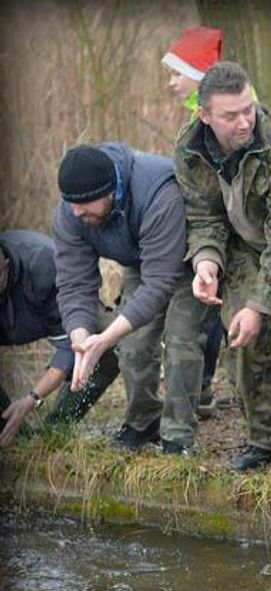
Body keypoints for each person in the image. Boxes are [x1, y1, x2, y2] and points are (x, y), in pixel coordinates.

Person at [174, 61, 271, 471]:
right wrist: (207, 262)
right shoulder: (189, 149)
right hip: (243, 246)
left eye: (248, 109)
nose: (243, 122)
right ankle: (264, 439)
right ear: (204, 115)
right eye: (230, 115)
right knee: (240, 333)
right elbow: (203, 217)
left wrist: (261, 304)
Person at [52, 144, 212, 455]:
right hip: (143, 262)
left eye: (84, 204)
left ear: (111, 189)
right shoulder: (72, 212)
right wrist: (82, 337)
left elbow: (161, 283)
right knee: (133, 345)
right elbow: (74, 283)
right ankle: (144, 420)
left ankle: (178, 437)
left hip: (191, 263)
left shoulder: (157, 191)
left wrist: (106, 338)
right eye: (71, 204)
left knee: (182, 341)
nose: (76, 212)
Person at [161, 24, 230, 418]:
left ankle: (202, 386)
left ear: (200, 74)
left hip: (225, 233)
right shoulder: (194, 113)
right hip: (207, 230)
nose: (171, 82)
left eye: (177, 73)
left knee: (211, 313)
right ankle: (202, 386)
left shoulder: (219, 114)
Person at [0, 230, 119, 446]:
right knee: (14, 438)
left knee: (105, 341)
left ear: (6, 265)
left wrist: (31, 399)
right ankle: (13, 433)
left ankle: (57, 426)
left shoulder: (44, 264)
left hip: (47, 311)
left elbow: (71, 346)